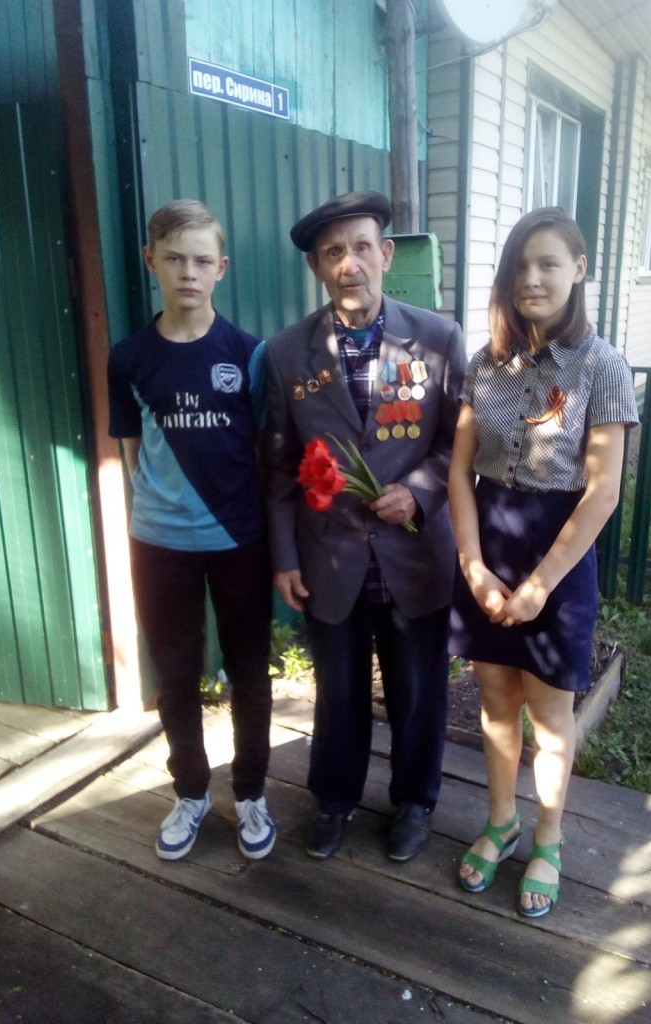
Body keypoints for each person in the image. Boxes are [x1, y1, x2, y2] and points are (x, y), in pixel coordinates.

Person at [265, 191, 467, 861]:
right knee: (338, 689)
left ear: (386, 254)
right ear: (317, 267)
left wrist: (420, 491)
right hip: (330, 558)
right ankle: (333, 799)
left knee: (418, 690)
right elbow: (279, 465)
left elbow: (459, 444)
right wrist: (284, 556)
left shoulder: (437, 339)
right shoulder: (287, 353)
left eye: (360, 247)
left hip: (415, 553)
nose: (349, 263)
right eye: (333, 252)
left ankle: (415, 801)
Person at [448, 207, 638, 917]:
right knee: (496, 701)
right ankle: (501, 822)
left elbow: (603, 491)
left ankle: (548, 838)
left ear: (578, 270)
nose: (532, 277)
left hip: (559, 554)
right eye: (521, 265)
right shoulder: (483, 365)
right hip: (490, 540)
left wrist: (539, 586)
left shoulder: (602, 366)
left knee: (551, 714)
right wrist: (471, 564)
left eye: (549, 263)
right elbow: (460, 470)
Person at [107, 199, 276, 862]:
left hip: (239, 540)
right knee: (176, 674)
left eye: (202, 261)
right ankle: (190, 791)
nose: (188, 273)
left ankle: (252, 791)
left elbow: (262, 448)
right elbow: (132, 449)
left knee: (249, 671)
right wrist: (163, 507)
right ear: (150, 260)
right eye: (174, 258)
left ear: (222, 268)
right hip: (160, 544)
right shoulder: (129, 358)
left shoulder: (249, 354)